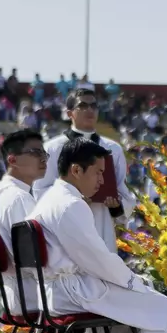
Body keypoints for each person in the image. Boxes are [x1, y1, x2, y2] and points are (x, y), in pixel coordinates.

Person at [27, 138, 167, 333]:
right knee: (162, 306)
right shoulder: (69, 204)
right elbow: (98, 260)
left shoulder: (54, 198)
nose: (102, 179)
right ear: (76, 170)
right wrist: (133, 281)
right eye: (98, 172)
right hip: (72, 292)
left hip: (59, 290)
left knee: (132, 312)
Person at [33, 89, 136, 253]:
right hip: (66, 229)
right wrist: (73, 198)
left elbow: (124, 193)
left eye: (94, 106)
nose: (90, 110)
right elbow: (40, 191)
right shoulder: (52, 148)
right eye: (83, 105)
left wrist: (116, 206)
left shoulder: (112, 148)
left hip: (101, 226)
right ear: (69, 113)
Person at [0, 129, 48, 314]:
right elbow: (38, 257)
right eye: (35, 152)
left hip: (17, 296)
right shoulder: (18, 197)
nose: (43, 158)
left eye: (43, 152)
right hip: (37, 300)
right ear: (12, 159)